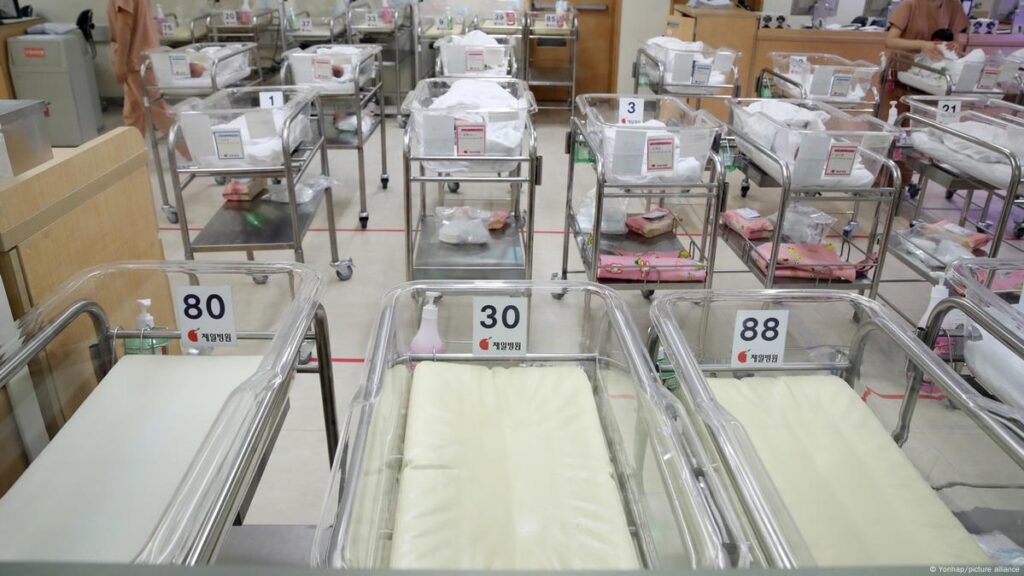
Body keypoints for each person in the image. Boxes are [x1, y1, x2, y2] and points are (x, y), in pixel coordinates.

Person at [108, 0, 173, 135]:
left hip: (135, 59)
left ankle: (191, 147)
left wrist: (121, 63)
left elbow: (125, 22)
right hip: (139, 56)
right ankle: (132, 148)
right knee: (133, 112)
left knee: (159, 111)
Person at [885, 0, 970, 57]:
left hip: (934, 68)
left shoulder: (953, 4)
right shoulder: (911, 3)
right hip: (905, 65)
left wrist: (954, 45)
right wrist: (922, 45)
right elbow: (890, 41)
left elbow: (955, 38)